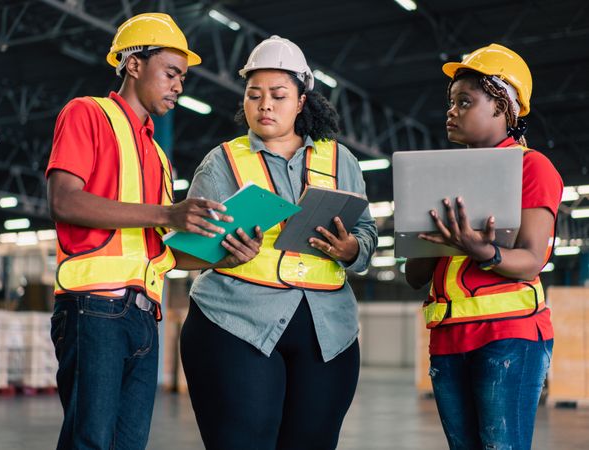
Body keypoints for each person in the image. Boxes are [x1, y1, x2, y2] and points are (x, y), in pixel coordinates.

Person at [46, 13, 261, 450]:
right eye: (171, 73)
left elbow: (160, 251)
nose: (179, 85)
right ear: (133, 64)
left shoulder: (159, 156)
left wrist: (224, 254)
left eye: (183, 77)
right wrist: (168, 214)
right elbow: (64, 201)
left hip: (145, 316)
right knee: (91, 441)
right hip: (95, 308)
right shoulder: (88, 113)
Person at [179, 35, 378, 450]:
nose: (265, 104)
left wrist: (351, 250)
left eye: (278, 95)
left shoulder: (342, 161)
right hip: (235, 323)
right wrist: (225, 255)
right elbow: (183, 251)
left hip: (327, 330)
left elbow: (367, 235)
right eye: (254, 95)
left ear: (302, 100)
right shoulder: (222, 162)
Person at [405, 43, 563, 450]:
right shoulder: (436, 177)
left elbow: (530, 260)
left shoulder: (532, 168)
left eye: (465, 102)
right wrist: (428, 238)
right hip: (448, 337)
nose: (451, 111)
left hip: (509, 335)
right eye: (450, 102)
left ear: (503, 108)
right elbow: (414, 276)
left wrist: (483, 251)